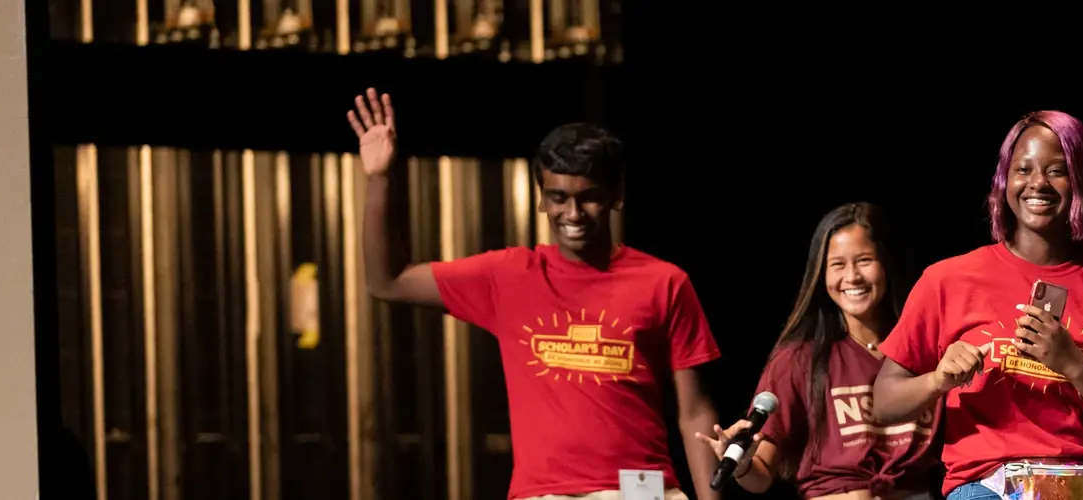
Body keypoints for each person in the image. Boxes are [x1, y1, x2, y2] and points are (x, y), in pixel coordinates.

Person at [346, 88, 726, 500]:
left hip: (641, 491)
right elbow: (387, 281)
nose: (573, 214)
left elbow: (694, 411)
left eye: (589, 198)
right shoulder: (508, 275)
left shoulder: (664, 282)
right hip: (545, 494)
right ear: (542, 196)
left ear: (617, 194)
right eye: (559, 198)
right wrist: (380, 178)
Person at [871, 111, 1083, 500]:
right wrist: (938, 380)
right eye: (1023, 169)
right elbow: (883, 402)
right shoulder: (947, 279)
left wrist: (1074, 364)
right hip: (985, 487)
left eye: (1056, 170)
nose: (1037, 183)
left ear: (1082, 179)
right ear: (1004, 180)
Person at [694, 202, 943, 500]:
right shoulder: (799, 359)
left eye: (864, 260)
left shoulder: (926, 350)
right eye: (837, 265)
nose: (852, 277)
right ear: (820, 273)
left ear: (887, 262)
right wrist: (743, 465)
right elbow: (761, 477)